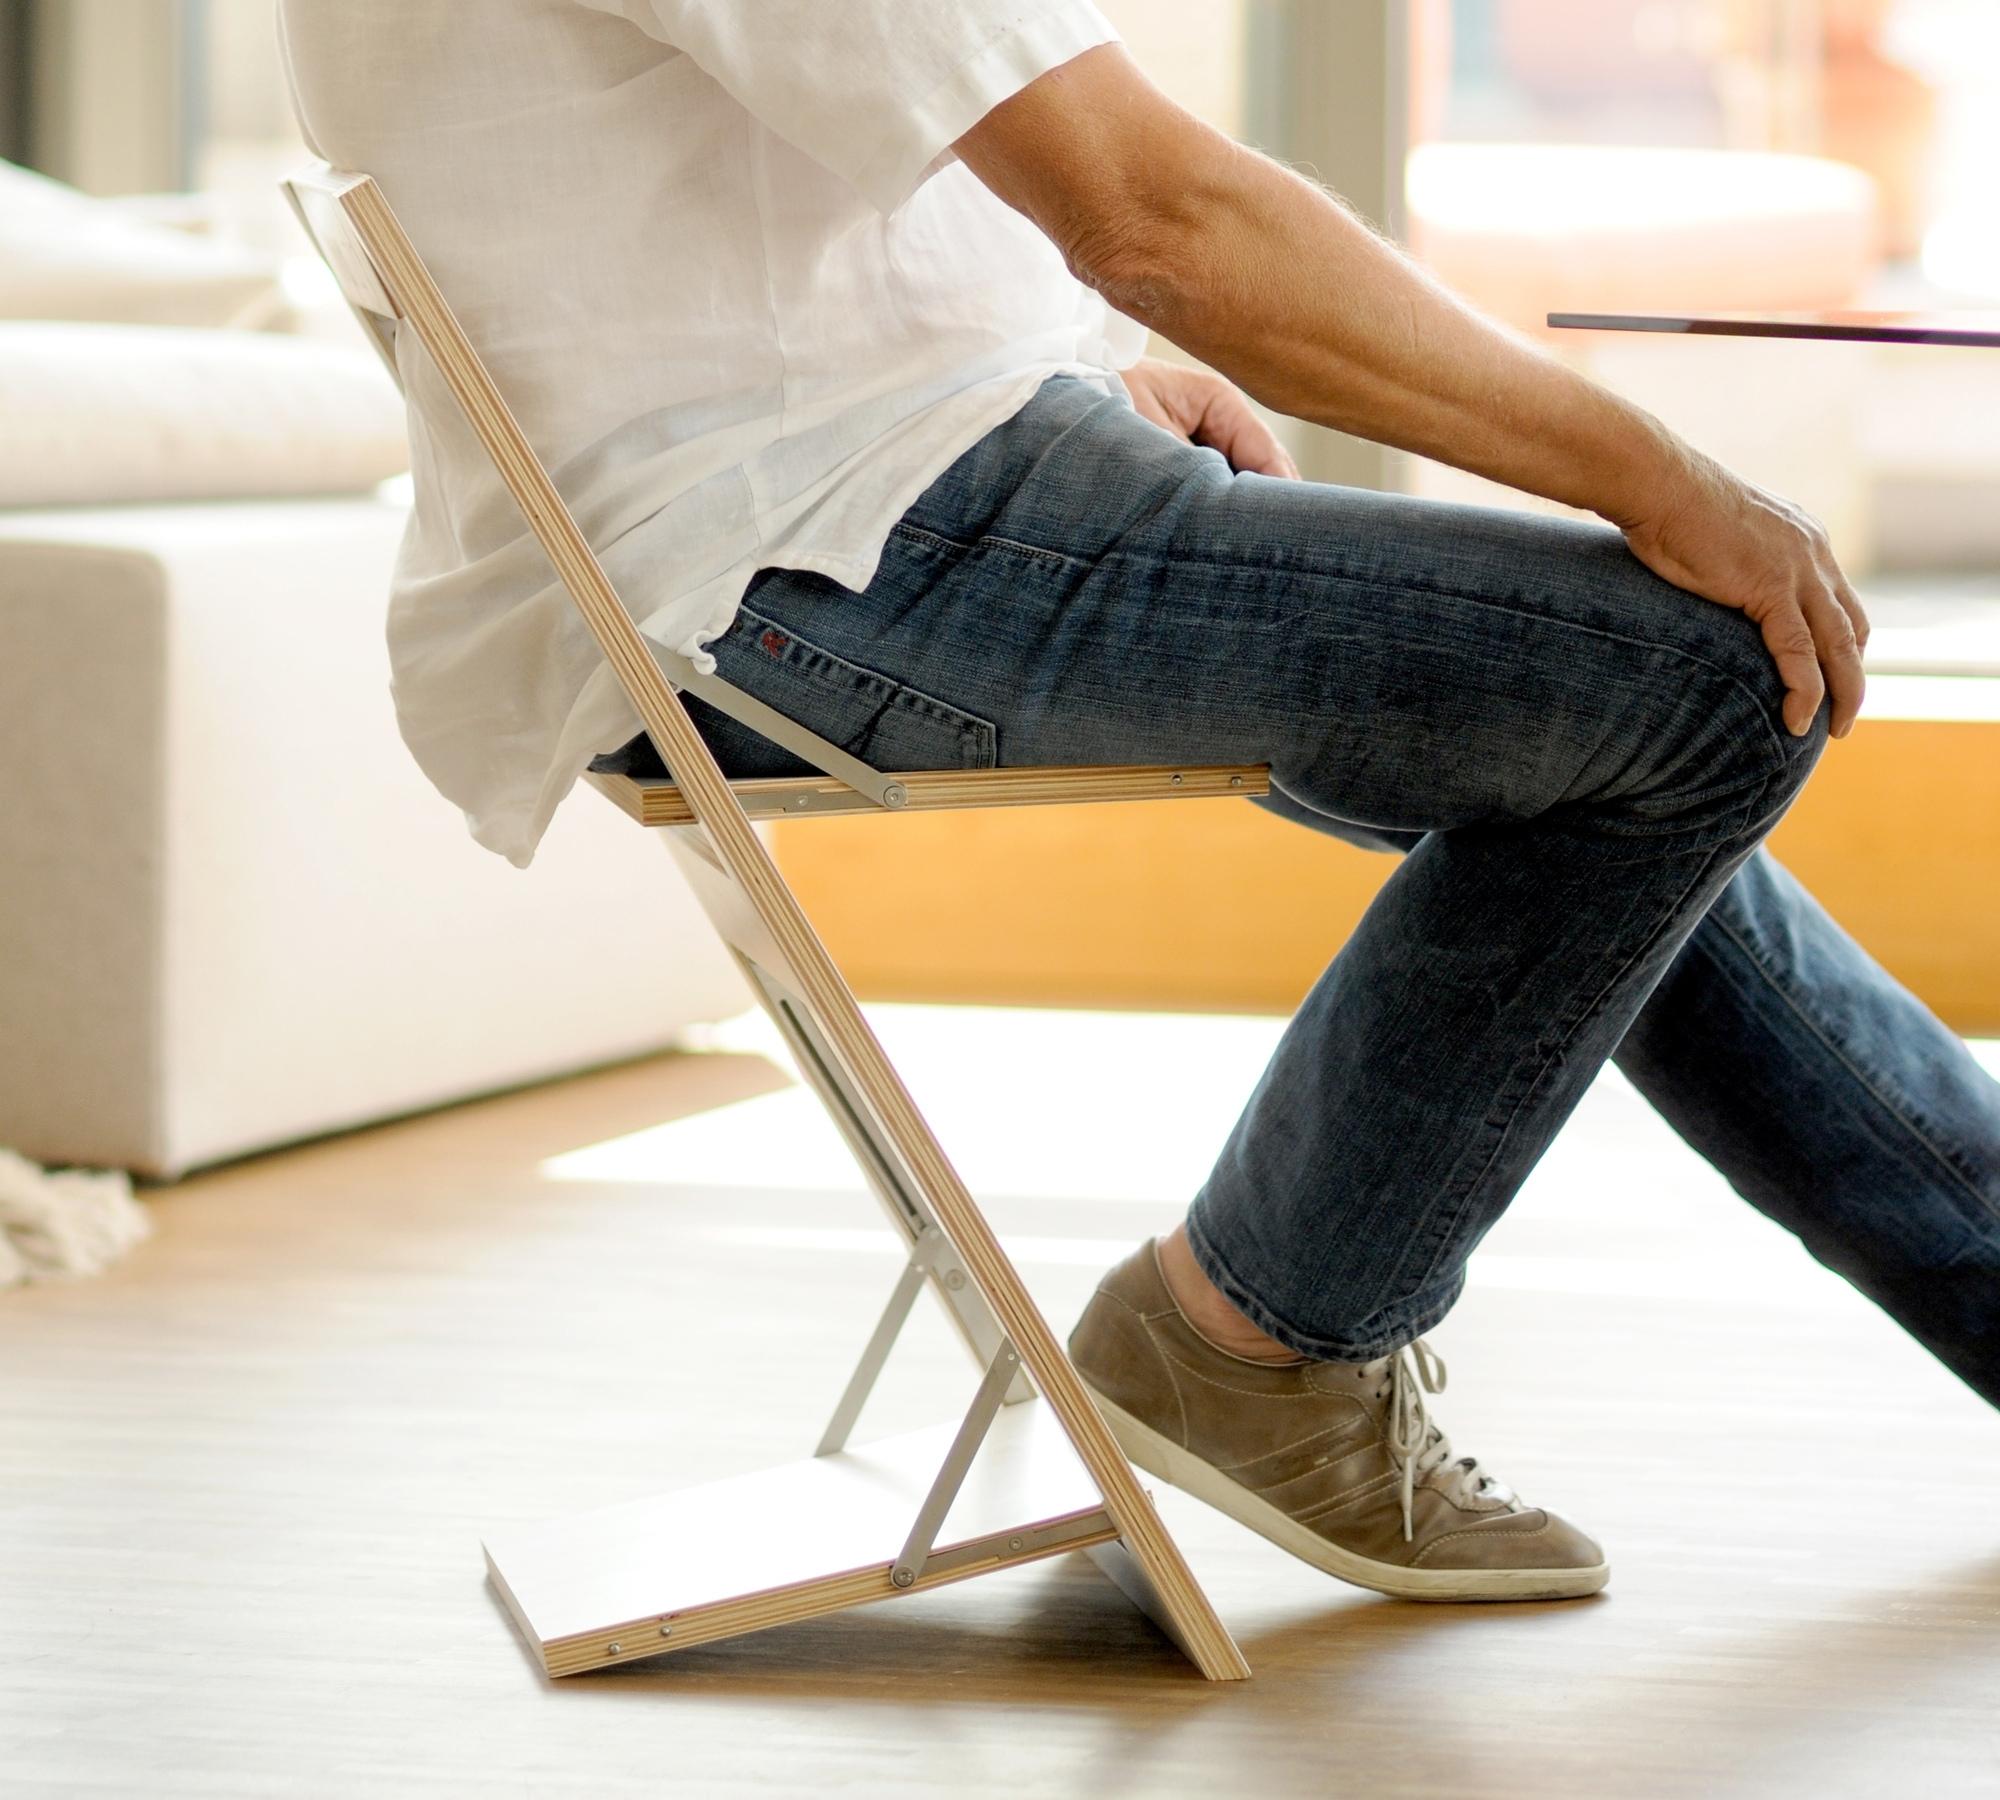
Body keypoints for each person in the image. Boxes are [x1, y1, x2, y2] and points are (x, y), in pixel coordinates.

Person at [277, 1, 2000, 1603]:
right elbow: (1162, 219)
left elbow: (722, 205)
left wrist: (1064, 368)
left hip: (779, 528)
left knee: (1607, 754)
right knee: (1696, 681)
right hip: (823, 562)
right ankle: (1260, 1344)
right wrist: (1665, 477)